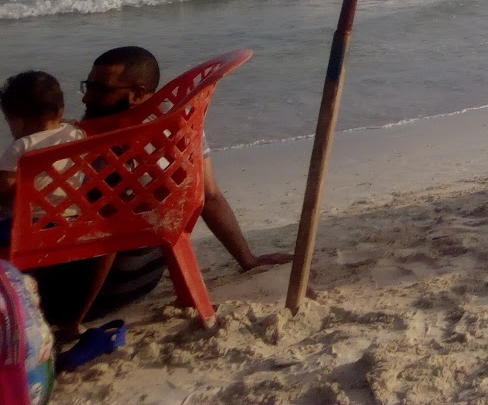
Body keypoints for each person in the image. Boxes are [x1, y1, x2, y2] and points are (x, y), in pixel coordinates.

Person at [30, 48, 290, 330]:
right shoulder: (181, 130)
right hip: (145, 278)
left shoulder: (103, 146)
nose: (86, 96)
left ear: (138, 93)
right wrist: (247, 259)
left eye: (100, 89)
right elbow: (210, 195)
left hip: (83, 296)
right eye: (88, 85)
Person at [1, 71, 87, 244]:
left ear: (16, 120)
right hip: (72, 218)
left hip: (28, 226)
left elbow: (4, 185)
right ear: (60, 109)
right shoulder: (77, 134)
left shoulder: (21, 146)